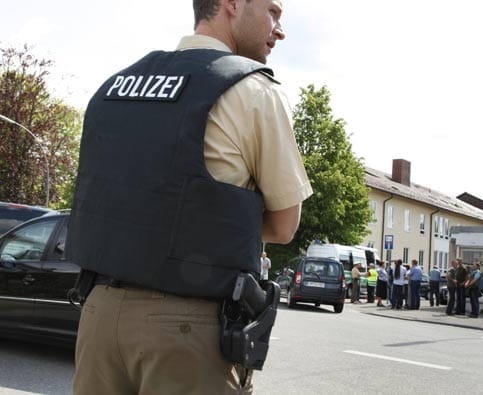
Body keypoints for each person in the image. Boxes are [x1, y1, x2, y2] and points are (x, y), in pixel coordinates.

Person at [66, 1, 313, 393]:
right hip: (185, 326)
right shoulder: (252, 91)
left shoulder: (112, 86)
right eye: (272, 10)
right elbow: (285, 226)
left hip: (98, 316)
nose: (279, 29)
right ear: (232, 4)